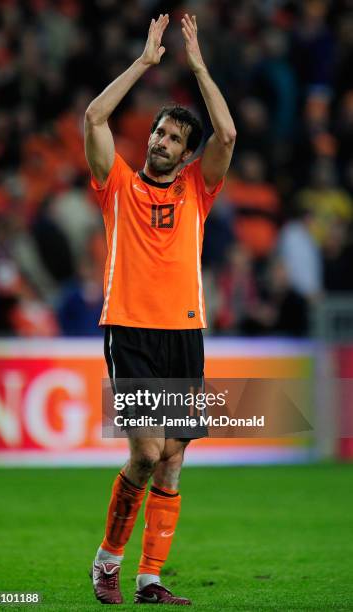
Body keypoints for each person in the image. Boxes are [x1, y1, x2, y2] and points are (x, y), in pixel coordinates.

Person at [84, 13, 236, 605]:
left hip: (185, 333)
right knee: (146, 453)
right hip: (131, 332)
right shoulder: (116, 185)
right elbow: (96, 117)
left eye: (174, 137)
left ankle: (150, 580)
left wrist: (197, 67)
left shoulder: (200, 188)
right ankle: (107, 562)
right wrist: (145, 63)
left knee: (173, 461)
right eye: (158, 133)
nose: (160, 142)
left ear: (186, 151)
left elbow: (226, 136)